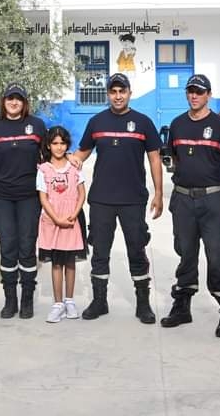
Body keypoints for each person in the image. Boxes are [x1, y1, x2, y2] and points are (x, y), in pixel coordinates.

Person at [71, 73, 163, 324]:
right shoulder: (97, 122)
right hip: (101, 199)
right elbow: (82, 153)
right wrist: (64, 159)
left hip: (133, 199)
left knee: (137, 249)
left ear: (130, 93)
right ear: (108, 94)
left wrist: (159, 193)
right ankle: (99, 301)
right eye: (113, 91)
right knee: (100, 251)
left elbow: (155, 158)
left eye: (122, 91)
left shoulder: (143, 123)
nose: (118, 96)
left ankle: (143, 304)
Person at [160, 74, 220, 337]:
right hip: (182, 198)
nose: (194, 96)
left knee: (218, 254)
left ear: (209, 95)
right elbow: (173, 158)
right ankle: (182, 306)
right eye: (191, 91)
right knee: (185, 252)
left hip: (213, 199)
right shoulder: (178, 124)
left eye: (199, 92)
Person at [0, 83, 47, 319]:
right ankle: (10, 300)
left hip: (30, 196)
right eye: (10, 98)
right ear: (3, 101)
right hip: (2, 197)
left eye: (18, 99)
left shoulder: (37, 125)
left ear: (24, 102)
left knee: (27, 246)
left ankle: (27, 300)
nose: (14, 102)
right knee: (8, 247)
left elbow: (47, 160)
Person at [36, 125, 87, 324]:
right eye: (55, 143)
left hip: (71, 220)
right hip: (52, 221)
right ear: (48, 145)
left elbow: (82, 193)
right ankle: (57, 304)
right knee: (56, 263)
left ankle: (70, 300)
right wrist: (56, 218)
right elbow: (43, 197)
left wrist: (74, 214)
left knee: (70, 262)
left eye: (62, 143)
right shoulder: (43, 169)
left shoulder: (74, 167)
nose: (59, 147)